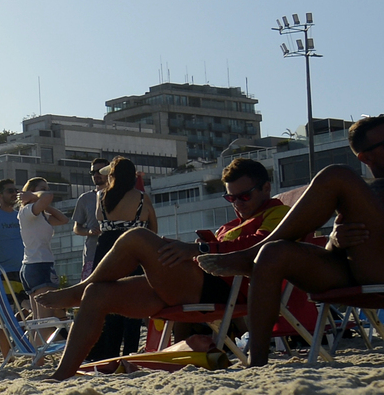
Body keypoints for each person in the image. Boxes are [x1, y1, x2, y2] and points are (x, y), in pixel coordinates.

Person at [197, 115, 384, 366]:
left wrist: (342, 192)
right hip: (364, 269)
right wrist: (336, 240)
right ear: (365, 157)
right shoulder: (359, 202)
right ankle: (256, 362)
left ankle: (250, 254)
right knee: (272, 253)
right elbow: (331, 250)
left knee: (337, 175)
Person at [37, 157, 282, 377]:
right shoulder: (232, 224)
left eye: (244, 196)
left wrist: (199, 248)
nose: (237, 203)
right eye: (231, 198)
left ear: (266, 188)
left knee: (137, 237)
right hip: (196, 283)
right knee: (96, 293)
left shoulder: (279, 214)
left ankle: (78, 290)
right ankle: (62, 374)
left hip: (226, 288)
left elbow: (260, 247)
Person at [88, 157, 157, 361]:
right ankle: (129, 354)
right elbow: (153, 229)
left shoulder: (101, 196)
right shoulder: (142, 198)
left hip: (106, 249)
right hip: (133, 248)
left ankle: (110, 355)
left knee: (109, 303)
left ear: (113, 176)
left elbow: (100, 221)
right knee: (133, 303)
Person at [16, 178, 68, 302]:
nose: (45, 192)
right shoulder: (28, 211)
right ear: (31, 191)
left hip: (35, 264)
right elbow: (48, 196)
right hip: (39, 264)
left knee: (41, 311)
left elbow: (64, 220)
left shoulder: (40, 215)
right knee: (47, 309)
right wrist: (33, 196)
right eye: (42, 189)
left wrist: (46, 206)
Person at [72, 157, 112, 272]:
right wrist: (89, 231)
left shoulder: (119, 195)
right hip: (92, 255)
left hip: (114, 252)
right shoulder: (85, 198)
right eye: (93, 172)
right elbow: (76, 228)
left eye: (99, 171)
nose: (96, 175)